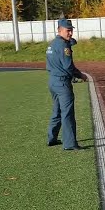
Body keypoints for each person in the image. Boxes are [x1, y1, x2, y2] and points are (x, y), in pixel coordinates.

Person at [46, 18, 87, 150]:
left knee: (57, 110)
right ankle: (69, 143)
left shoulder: (52, 44)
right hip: (62, 83)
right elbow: (68, 66)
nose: (70, 33)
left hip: (52, 81)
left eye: (71, 30)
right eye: (68, 30)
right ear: (59, 30)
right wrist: (80, 75)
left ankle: (51, 138)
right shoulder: (64, 46)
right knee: (67, 113)